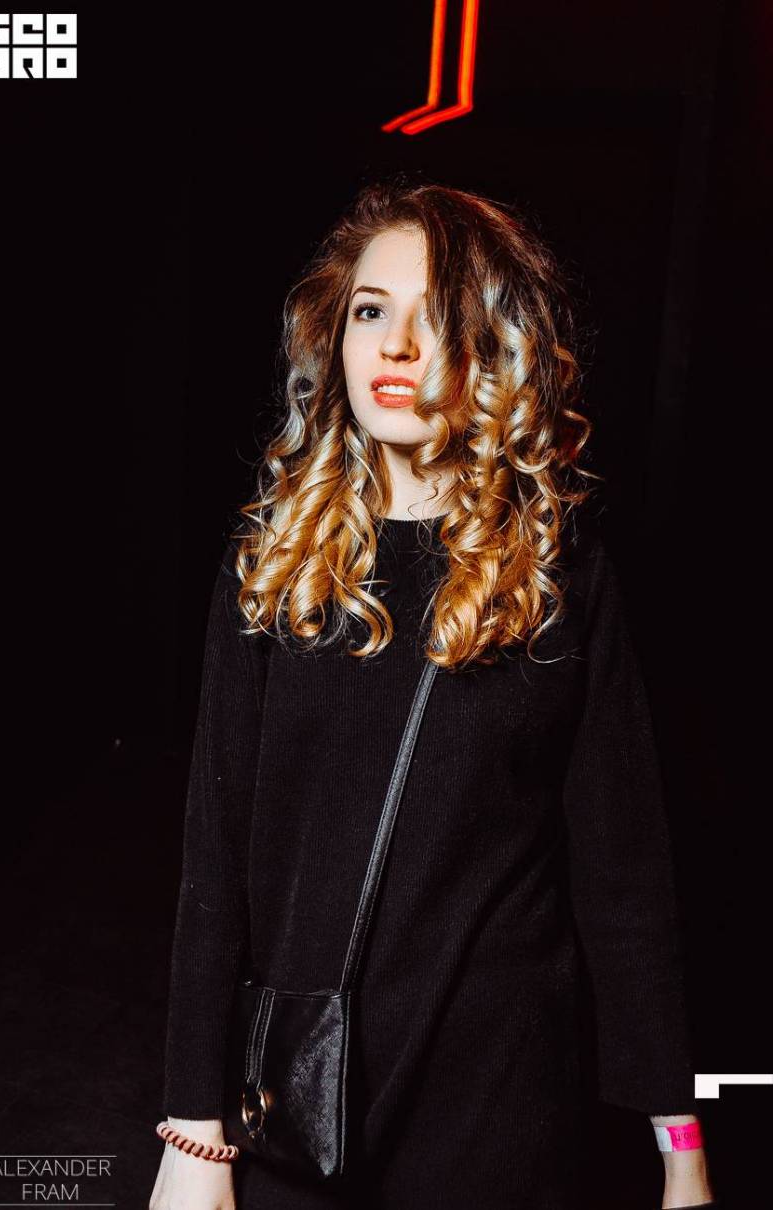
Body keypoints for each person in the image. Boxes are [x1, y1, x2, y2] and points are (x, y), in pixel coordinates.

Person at [149, 179, 717, 1209]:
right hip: (301, 1098)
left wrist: (681, 1148)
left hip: (502, 1103)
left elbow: (624, 873)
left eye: (437, 317)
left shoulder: (558, 575)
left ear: (492, 351)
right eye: (371, 310)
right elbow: (213, 859)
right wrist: (194, 1127)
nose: (397, 345)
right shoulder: (272, 566)